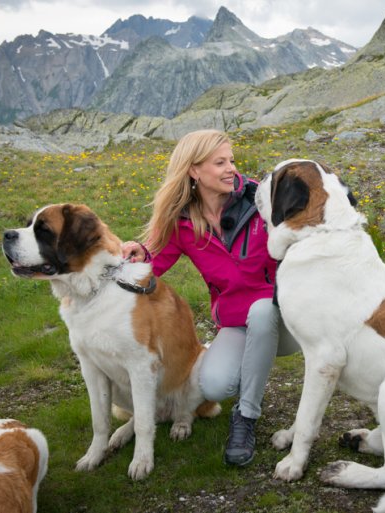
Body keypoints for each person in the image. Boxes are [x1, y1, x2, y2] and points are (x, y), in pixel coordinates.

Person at [122, 129, 299, 466]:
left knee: (262, 312)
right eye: (220, 163)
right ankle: (246, 367)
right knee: (215, 387)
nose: (231, 168)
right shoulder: (183, 223)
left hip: (284, 318)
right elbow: (153, 261)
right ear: (194, 171)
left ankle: (245, 418)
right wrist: (135, 253)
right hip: (235, 322)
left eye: (231, 160)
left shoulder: (262, 202)